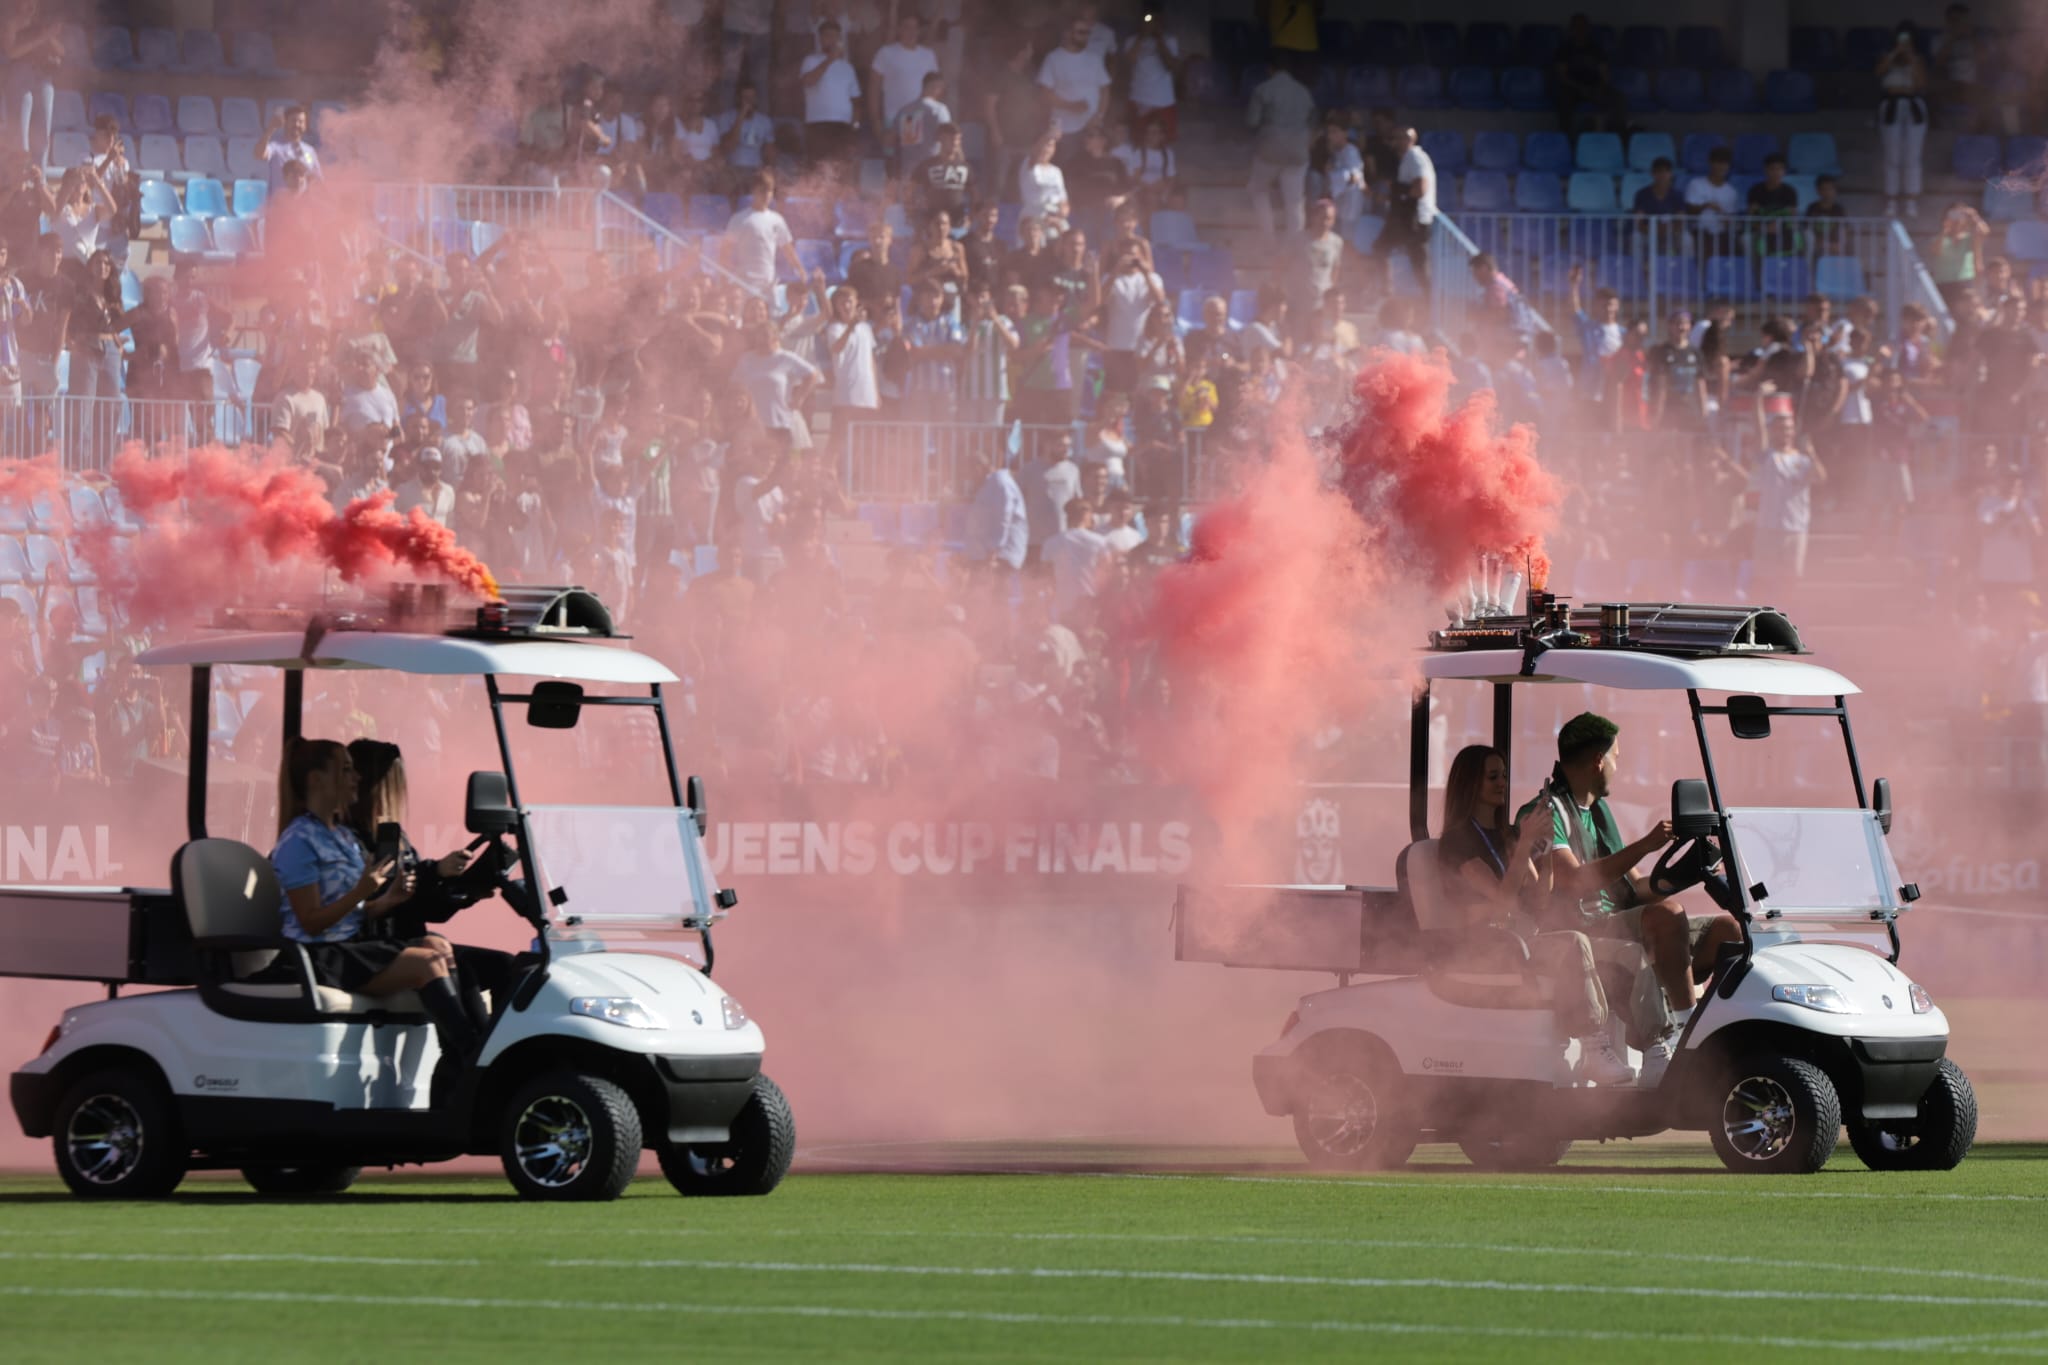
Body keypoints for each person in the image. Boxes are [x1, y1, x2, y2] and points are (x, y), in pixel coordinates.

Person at [1516, 714, 1743, 1083]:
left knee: (1727, 930)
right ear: (1598, 761)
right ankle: (1686, 1039)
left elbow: (1636, 890)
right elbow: (1573, 881)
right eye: (1617, 757)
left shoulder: (1600, 812)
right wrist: (1646, 845)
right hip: (1578, 931)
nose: (1618, 768)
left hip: (1615, 922)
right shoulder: (1546, 812)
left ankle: (1714, 1029)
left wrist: (1688, 872)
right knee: (1665, 915)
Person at [265, 739, 475, 1056]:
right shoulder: (298, 840)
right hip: (316, 955)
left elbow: (356, 912)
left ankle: (461, 1061)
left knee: (438, 946)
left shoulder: (342, 836)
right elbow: (310, 922)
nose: (357, 778)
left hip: (347, 946)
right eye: (346, 770)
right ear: (316, 780)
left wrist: (388, 899)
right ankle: (468, 1056)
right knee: (428, 963)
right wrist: (361, 892)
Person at [1438, 745, 1634, 1085]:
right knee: (1573, 942)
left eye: (1504, 775)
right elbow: (1502, 903)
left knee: (1596, 946)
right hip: (1483, 944)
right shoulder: (1458, 841)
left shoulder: (1508, 836)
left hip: (1517, 940)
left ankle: (1623, 1043)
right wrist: (1525, 845)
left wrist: (1542, 854)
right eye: (1492, 776)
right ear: (1471, 783)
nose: (1502, 783)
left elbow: (1539, 901)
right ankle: (1591, 1044)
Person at [343, 738, 515, 1031]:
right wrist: (434, 871)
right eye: (392, 784)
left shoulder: (394, 837)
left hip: (405, 938)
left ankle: (493, 1048)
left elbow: (418, 906)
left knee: (506, 966)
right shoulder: (347, 840)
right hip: (373, 946)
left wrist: (463, 891)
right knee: (458, 964)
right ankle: (472, 1056)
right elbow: (376, 898)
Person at [1245, 57, 1315, 237]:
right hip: (1298, 152)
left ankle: (1268, 238)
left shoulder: (1262, 89)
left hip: (1270, 150)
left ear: (1270, 69)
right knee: (1295, 202)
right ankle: (1295, 245)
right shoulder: (1304, 91)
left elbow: (1252, 122)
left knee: (1258, 190)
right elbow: (1313, 122)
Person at [1875, 21, 1928, 217]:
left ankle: (1911, 200)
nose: (1904, 43)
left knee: (1912, 156)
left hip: (1913, 107)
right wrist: (1894, 53)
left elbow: (1921, 83)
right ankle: (1891, 199)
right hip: (1891, 106)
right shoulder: (1887, 57)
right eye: (1901, 40)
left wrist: (1911, 58)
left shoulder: (1918, 59)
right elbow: (1878, 73)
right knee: (1892, 156)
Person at [1372, 126, 1434, 294]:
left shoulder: (1415, 157)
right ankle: (1388, 289)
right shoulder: (1408, 159)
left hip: (1414, 220)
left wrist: (1396, 188)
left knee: (1418, 265)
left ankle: (1426, 301)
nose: (1398, 141)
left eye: (1403, 138)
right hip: (1407, 218)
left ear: (1411, 140)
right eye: (1397, 137)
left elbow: (1420, 189)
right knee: (1415, 263)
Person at [800, 20, 862, 181]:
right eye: (828, 36)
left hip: (842, 126)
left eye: (836, 36)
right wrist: (830, 60)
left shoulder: (848, 67)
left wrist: (854, 127)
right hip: (818, 124)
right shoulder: (811, 60)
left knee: (841, 171)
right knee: (817, 169)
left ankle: (839, 204)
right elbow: (808, 81)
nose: (832, 40)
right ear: (820, 39)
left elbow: (856, 100)